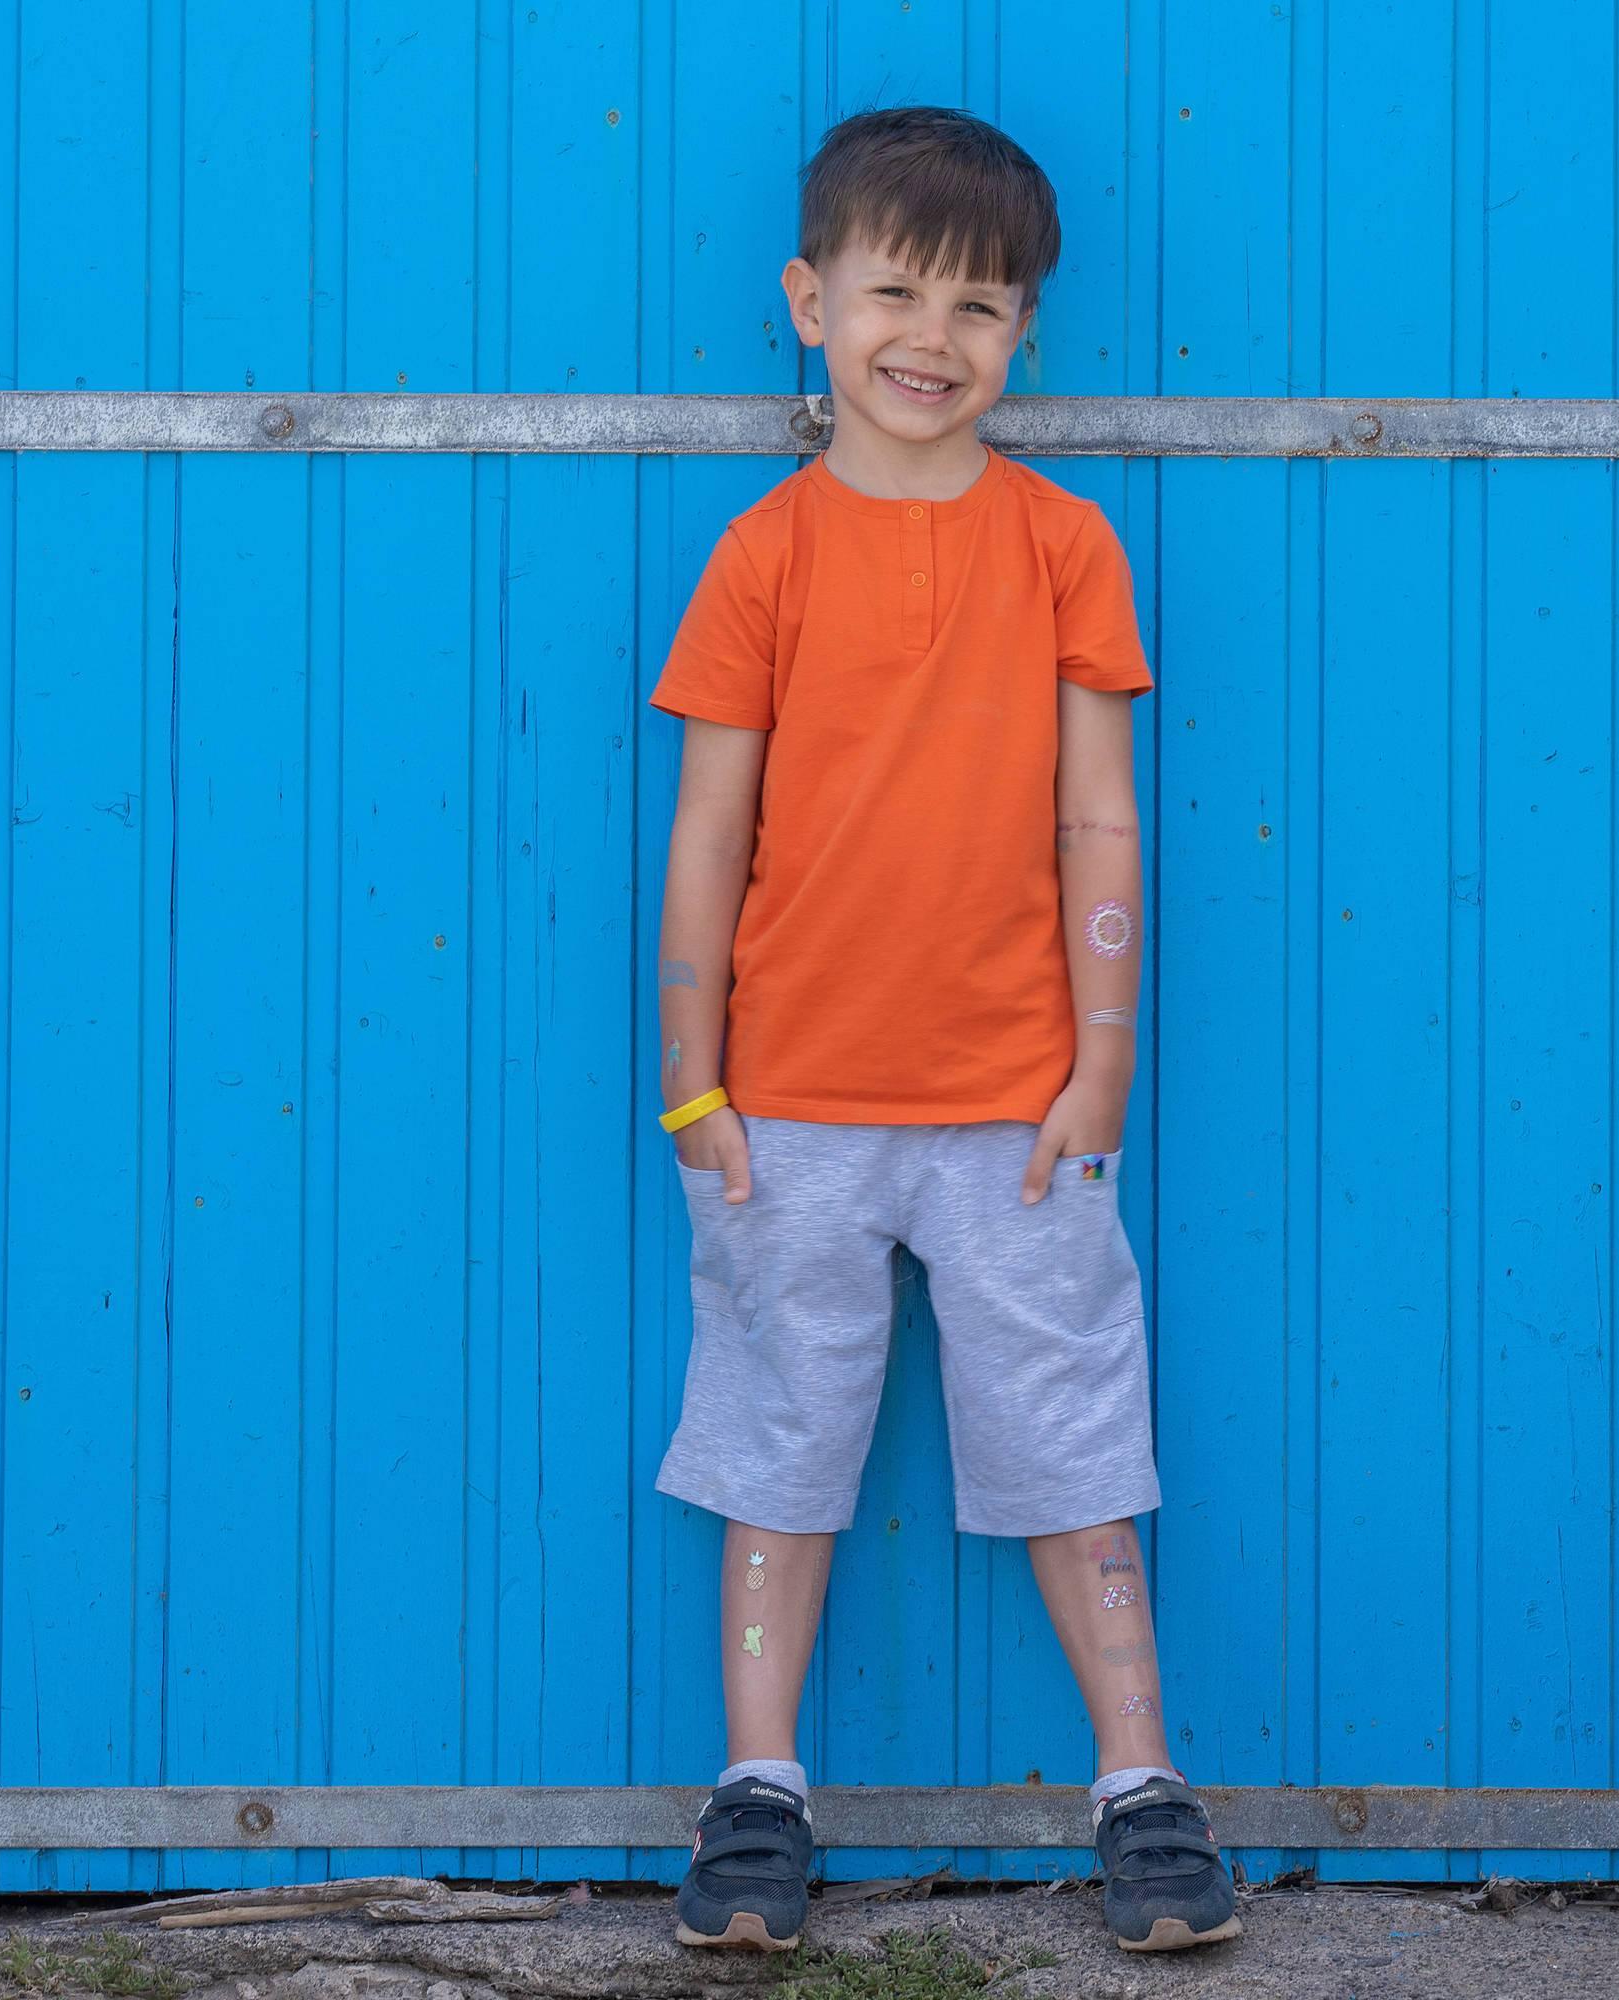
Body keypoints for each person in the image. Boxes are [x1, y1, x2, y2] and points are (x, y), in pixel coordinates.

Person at [646, 104, 1241, 1959]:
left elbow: (1098, 819)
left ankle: (1141, 1791)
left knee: (1077, 1442)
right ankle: (759, 1797)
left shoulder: (1066, 545)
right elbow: (711, 832)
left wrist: (1105, 1054)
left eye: (983, 306)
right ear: (807, 303)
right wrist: (691, 1078)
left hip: (1019, 1113)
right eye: (895, 289)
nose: (935, 335)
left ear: (1026, 337)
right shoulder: (766, 553)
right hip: (791, 1112)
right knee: (777, 1441)